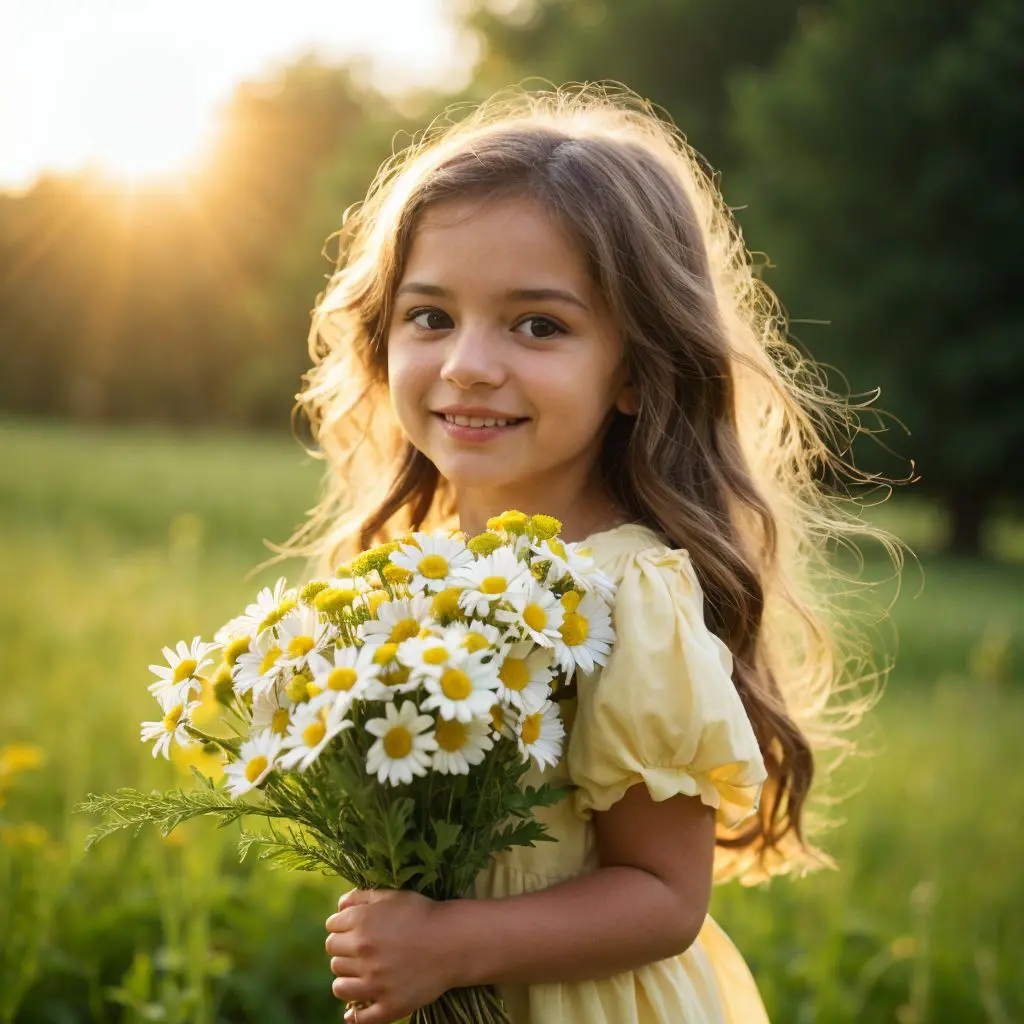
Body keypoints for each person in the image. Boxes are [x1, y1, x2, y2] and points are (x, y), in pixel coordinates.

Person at [291, 84, 895, 1024]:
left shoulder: (624, 594)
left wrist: (451, 946)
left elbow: (664, 896)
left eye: (539, 325)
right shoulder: (425, 572)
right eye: (430, 315)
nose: (468, 365)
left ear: (638, 374)